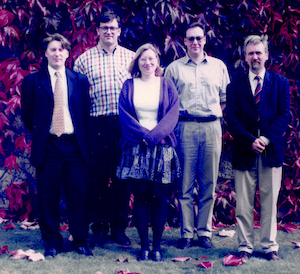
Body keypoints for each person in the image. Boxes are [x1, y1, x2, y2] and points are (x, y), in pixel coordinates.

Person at [21, 33, 92, 257]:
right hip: (48, 147)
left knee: (78, 195)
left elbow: (85, 113)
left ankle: (80, 240)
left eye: (61, 49)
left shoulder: (79, 80)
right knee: (47, 197)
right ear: (46, 53)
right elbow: (28, 115)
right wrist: (43, 133)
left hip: (74, 147)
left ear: (68, 53)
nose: (57, 53)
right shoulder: (32, 82)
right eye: (53, 49)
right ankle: (52, 242)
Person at [164, 22, 230, 249]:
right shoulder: (174, 68)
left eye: (199, 38)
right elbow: (168, 102)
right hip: (185, 128)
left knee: (208, 183)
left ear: (205, 40)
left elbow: (224, 99)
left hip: (212, 127)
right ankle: (186, 234)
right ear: (184, 41)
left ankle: (204, 233)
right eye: (190, 38)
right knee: (184, 184)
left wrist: (209, 117)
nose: (195, 42)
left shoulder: (218, 66)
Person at [225, 35, 290, 261]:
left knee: (270, 201)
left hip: (271, 151)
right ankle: (245, 245)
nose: (255, 57)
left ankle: (270, 246)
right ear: (245, 57)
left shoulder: (281, 83)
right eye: (251, 53)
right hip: (244, 151)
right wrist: (250, 140)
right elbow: (231, 119)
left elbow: (283, 116)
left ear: (266, 55)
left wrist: (266, 140)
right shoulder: (234, 87)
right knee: (243, 203)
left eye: (259, 52)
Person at [73, 11, 135, 246]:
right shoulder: (84, 60)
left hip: (124, 125)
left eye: (113, 27)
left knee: (122, 177)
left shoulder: (131, 58)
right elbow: (76, 98)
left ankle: (119, 229)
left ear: (119, 31)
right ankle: (99, 227)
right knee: (98, 178)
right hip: (96, 124)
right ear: (97, 31)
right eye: (104, 27)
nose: (109, 31)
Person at [116, 43, 180, 261]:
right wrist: (145, 135)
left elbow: (173, 114)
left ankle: (157, 247)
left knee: (159, 198)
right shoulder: (128, 85)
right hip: (136, 148)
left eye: (151, 59)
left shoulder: (166, 84)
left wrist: (155, 136)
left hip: (162, 149)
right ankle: (144, 246)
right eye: (143, 59)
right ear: (137, 62)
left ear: (157, 62)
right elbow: (124, 115)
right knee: (141, 197)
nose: (147, 63)